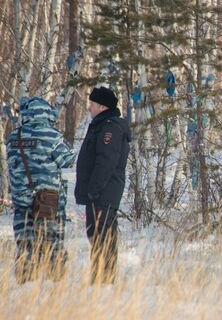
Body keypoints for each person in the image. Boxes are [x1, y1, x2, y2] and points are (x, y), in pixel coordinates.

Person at [6, 97, 76, 284]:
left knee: (25, 249)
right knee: (53, 247)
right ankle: (55, 287)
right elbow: (69, 160)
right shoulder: (52, 136)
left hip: (21, 206)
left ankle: (25, 288)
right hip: (48, 204)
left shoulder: (13, 137)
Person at [75, 86, 131, 284]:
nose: (89, 108)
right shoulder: (101, 125)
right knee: (96, 234)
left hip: (103, 192)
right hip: (99, 192)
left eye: (92, 104)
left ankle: (104, 280)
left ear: (101, 106)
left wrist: (94, 189)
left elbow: (106, 161)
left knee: (103, 236)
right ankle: (99, 277)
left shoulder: (109, 127)